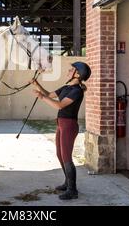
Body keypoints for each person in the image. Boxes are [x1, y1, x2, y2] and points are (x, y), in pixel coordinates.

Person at [31, 62, 91, 200]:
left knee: (67, 157)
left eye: (72, 69)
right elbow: (50, 94)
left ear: (77, 74)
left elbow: (59, 105)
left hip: (69, 125)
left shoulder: (77, 91)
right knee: (60, 154)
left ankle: (73, 190)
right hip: (61, 124)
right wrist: (36, 84)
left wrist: (41, 97)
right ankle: (67, 182)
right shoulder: (66, 87)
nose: (69, 70)